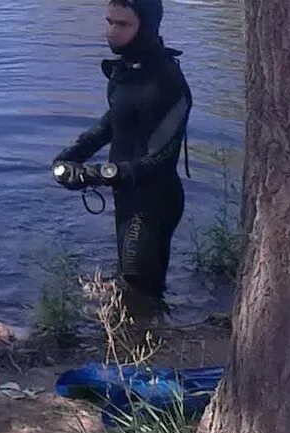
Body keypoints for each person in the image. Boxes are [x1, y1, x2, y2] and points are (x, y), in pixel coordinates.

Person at [52, 0, 192, 297]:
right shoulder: (127, 73)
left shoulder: (167, 81)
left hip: (153, 201)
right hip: (128, 196)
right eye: (109, 22)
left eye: (123, 24)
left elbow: (161, 157)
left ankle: (145, 339)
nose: (111, 32)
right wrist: (72, 155)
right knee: (138, 282)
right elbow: (110, 124)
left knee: (138, 292)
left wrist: (99, 173)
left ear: (147, 27)